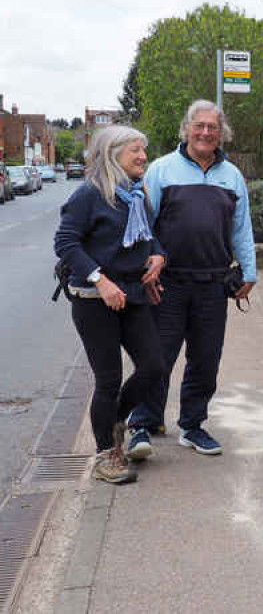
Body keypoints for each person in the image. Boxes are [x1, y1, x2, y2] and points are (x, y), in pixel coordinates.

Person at [127, 100, 256, 457]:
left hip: (213, 285)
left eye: (211, 127)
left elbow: (241, 228)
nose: (204, 133)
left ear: (221, 132)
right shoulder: (160, 170)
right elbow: (142, 226)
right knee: (157, 358)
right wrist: (144, 272)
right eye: (198, 126)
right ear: (186, 129)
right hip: (166, 284)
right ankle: (141, 424)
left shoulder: (232, 176)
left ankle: (193, 425)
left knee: (205, 359)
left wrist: (250, 271)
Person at [54, 126, 166, 484]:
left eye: (143, 150)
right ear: (111, 154)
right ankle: (107, 454)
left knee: (153, 368)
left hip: (132, 297)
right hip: (94, 301)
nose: (143, 157)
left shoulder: (136, 195)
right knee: (108, 379)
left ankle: (114, 420)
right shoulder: (89, 195)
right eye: (135, 150)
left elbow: (151, 237)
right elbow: (66, 243)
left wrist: (158, 258)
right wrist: (100, 281)